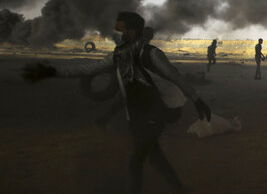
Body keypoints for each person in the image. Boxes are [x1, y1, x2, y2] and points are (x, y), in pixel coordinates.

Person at [22, 12, 211, 194]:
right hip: (135, 116)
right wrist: (51, 72)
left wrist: (197, 100)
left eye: (119, 29)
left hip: (153, 114)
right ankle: (177, 187)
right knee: (154, 155)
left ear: (131, 32)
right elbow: (87, 69)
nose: (115, 33)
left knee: (135, 162)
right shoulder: (118, 55)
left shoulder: (150, 54)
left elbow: (175, 76)